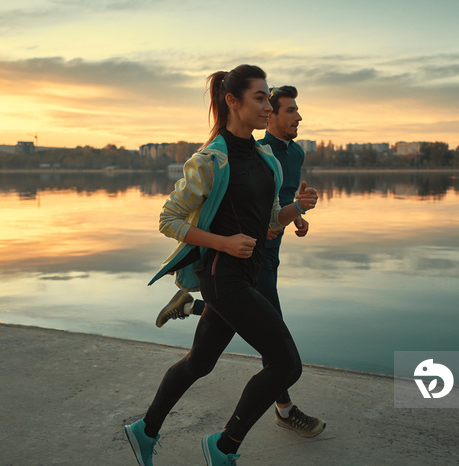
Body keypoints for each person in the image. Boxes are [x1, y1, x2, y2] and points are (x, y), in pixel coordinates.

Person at [124, 65, 318, 466]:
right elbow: (169, 220)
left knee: (200, 362)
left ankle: (145, 430)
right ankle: (224, 447)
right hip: (221, 278)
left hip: (247, 274)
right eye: (260, 98)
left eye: (269, 98)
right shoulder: (211, 160)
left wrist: (296, 209)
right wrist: (222, 243)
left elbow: (266, 224)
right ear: (232, 101)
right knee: (285, 364)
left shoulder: (268, 159)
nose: (268, 106)